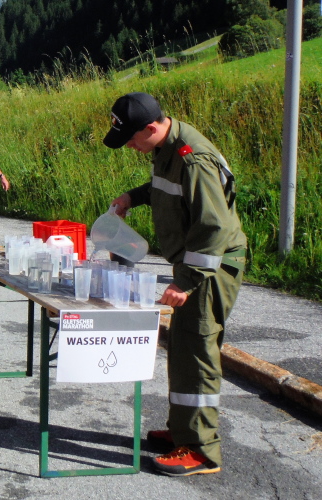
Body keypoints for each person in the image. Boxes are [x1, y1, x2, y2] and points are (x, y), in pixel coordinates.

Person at [103, 92, 247, 477]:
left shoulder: (193, 158)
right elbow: (164, 189)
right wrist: (132, 197)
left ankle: (202, 451)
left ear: (152, 127)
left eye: (132, 139)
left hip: (210, 268)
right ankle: (183, 431)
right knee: (182, 350)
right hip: (195, 264)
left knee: (197, 354)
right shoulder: (165, 147)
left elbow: (213, 227)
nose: (130, 146)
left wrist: (185, 282)